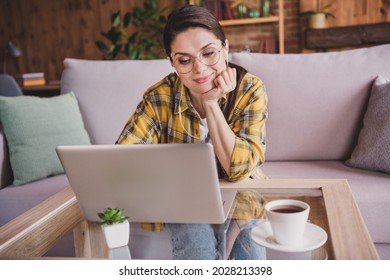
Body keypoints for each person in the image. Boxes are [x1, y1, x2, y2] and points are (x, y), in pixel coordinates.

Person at [116, 5, 268, 260]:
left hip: (238, 190)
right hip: (182, 194)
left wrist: (210, 104)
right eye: (185, 60)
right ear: (172, 62)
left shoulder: (250, 89)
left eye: (208, 53)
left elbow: (238, 169)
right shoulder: (159, 97)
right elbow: (123, 160)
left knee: (248, 231)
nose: (199, 69)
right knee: (195, 243)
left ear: (226, 48)